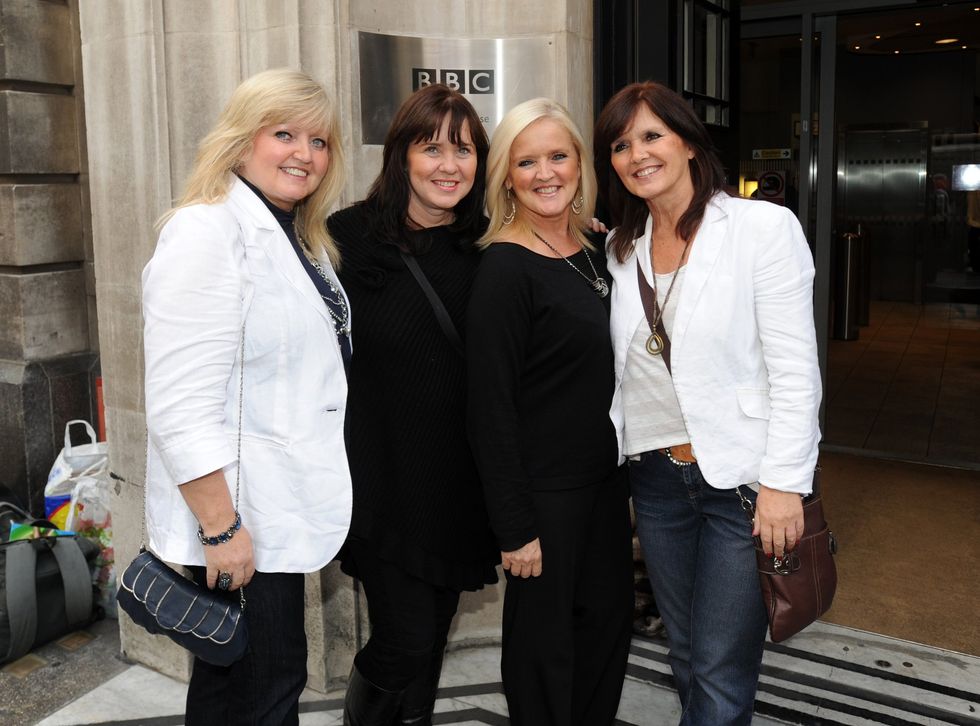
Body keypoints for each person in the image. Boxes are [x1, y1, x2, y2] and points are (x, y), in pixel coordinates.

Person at [593, 81, 821, 725]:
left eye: (651, 136)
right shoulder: (620, 249)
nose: (636, 153)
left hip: (743, 484)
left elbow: (796, 370)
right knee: (689, 653)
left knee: (721, 664)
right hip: (658, 480)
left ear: (690, 143)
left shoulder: (761, 228)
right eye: (620, 144)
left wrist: (784, 484)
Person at [142, 68, 352, 725]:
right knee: (262, 689)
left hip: (271, 511)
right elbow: (179, 403)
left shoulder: (299, 236)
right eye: (283, 133)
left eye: (319, 141)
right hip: (239, 519)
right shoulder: (206, 232)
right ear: (239, 142)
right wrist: (221, 527)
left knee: (249, 685)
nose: (304, 153)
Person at [327, 84, 499, 725]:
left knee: (431, 643)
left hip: (459, 489)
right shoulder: (343, 238)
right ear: (401, 154)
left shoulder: (489, 246)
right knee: (403, 641)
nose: (449, 165)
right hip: (382, 483)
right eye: (432, 148)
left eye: (464, 150)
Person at [466, 98, 634, 726]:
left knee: (605, 630)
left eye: (558, 156)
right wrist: (513, 525)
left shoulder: (595, 251)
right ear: (506, 176)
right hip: (543, 497)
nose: (545, 173)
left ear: (580, 164)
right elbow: (489, 408)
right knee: (544, 649)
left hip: (604, 484)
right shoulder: (504, 269)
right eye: (526, 160)